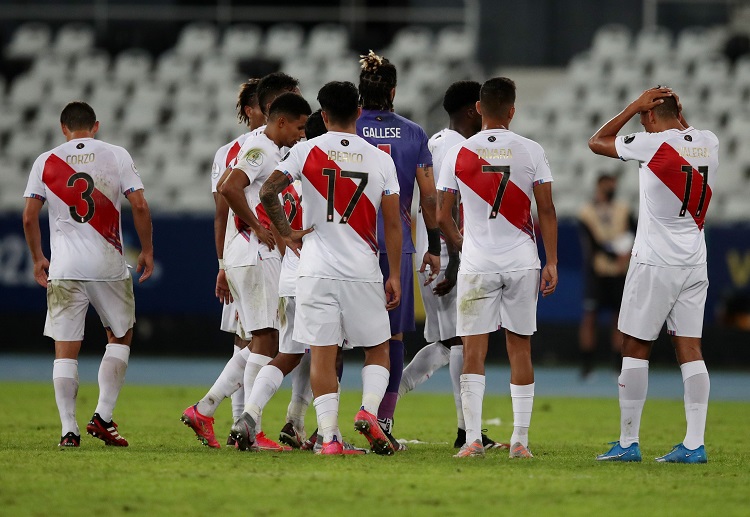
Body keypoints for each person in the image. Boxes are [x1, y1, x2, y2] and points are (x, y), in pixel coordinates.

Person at [256, 80, 402, 455]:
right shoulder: (380, 158)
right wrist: (396, 274)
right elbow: (394, 223)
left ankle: (331, 439)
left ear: (323, 115)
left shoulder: (305, 151)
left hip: (315, 268)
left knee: (321, 353)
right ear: (358, 112)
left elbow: (267, 191)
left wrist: (286, 233)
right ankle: (369, 412)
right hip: (362, 269)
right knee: (378, 348)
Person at [589, 86, 718, 463]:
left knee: (635, 346)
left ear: (649, 116)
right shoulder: (708, 141)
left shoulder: (651, 144)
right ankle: (694, 444)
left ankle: (628, 443)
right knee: (691, 350)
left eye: (645, 115)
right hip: (695, 260)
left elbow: (597, 142)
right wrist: (676, 114)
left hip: (655, 261)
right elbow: (688, 135)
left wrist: (632, 106)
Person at [437, 77, 558, 459]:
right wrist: (551, 260)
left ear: (478, 110)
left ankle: (473, 440)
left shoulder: (459, 152)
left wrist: (462, 242)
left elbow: (441, 214)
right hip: (523, 262)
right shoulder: (531, 150)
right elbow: (547, 210)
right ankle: (520, 442)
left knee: (473, 351)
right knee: (520, 348)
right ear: (511, 111)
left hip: (478, 264)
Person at [182, 92, 310, 451]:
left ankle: (206, 410)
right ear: (280, 121)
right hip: (254, 253)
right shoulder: (262, 149)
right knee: (268, 341)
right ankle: (247, 427)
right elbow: (228, 187)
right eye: (298, 127)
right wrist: (256, 225)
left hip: (248, 253)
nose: (301, 135)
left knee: (262, 339)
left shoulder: (264, 148)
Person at [22, 101, 154, 447]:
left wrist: (38, 257)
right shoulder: (115, 154)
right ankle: (103, 416)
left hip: (64, 268)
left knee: (65, 351)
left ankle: (69, 431)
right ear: (95, 125)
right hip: (107, 264)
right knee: (120, 336)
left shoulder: (46, 161)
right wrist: (147, 250)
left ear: (63, 128)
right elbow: (139, 204)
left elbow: (28, 216)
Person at [396, 80, 502, 449]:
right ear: (474, 109)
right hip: (443, 251)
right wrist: (454, 259)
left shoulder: (437, 142)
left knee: (445, 342)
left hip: (432, 249)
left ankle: (384, 407)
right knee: (461, 340)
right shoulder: (459, 148)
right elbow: (444, 207)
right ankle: (465, 431)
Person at [356, 50, 440, 448]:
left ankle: (323, 427)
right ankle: (382, 421)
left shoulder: (342, 127)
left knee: (330, 340)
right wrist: (435, 245)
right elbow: (428, 198)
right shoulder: (414, 133)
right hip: (396, 246)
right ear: (393, 90)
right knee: (391, 339)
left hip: (348, 244)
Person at [210, 78, 262, 445]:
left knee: (251, 340)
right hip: (248, 251)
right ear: (250, 110)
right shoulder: (230, 153)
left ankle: (237, 427)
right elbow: (220, 214)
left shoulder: (285, 145)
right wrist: (222, 264)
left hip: (255, 254)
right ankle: (232, 422)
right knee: (253, 341)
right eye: (266, 105)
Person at [577, 173, 634, 379]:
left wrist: (627, 253)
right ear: (599, 186)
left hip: (619, 272)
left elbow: (634, 232)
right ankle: (587, 364)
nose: (611, 188)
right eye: (608, 185)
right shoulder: (587, 212)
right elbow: (591, 243)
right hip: (597, 272)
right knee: (590, 318)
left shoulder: (623, 209)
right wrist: (614, 254)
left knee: (619, 319)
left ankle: (617, 364)